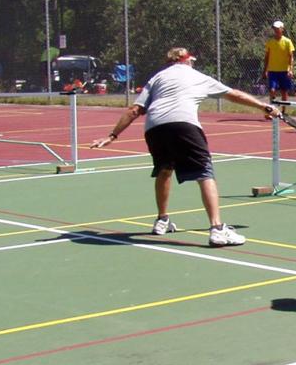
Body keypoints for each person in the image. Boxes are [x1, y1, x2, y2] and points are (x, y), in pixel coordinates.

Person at [90, 46, 283, 245]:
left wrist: (112, 135)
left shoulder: (157, 78)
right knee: (205, 173)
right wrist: (265, 107)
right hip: (184, 124)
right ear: (187, 60)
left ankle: (162, 220)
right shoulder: (196, 75)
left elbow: (134, 110)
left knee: (165, 169)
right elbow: (233, 94)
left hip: (154, 129)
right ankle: (217, 229)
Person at [262, 20, 295, 104]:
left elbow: (291, 57)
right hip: (273, 71)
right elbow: (267, 57)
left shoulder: (287, 42)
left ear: (282, 29)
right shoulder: (270, 42)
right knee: (272, 90)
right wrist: (265, 70)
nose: (276, 30)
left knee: (284, 92)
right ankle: (272, 108)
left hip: (284, 71)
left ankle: (283, 111)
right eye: (274, 28)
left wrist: (290, 70)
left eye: (278, 28)